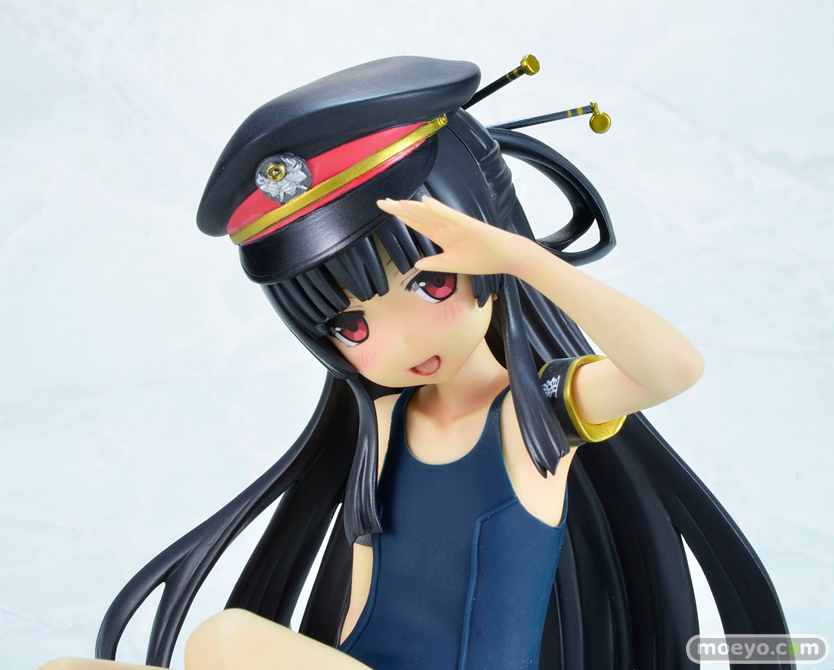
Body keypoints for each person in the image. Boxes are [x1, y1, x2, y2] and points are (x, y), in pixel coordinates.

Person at [39, 56, 791, 670]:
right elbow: (360, 601)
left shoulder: (536, 414)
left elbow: (673, 368)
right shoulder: (383, 419)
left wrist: (523, 258)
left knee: (226, 640)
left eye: (430, 284)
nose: (397, 344)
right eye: (351, 325)